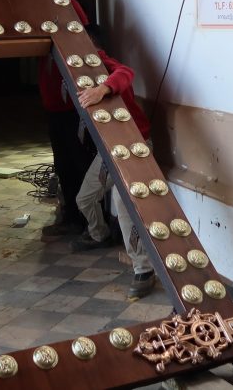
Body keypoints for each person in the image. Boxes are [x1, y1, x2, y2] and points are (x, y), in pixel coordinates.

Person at [69, 35, 156, 300]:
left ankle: (144, 269)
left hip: (135, 145)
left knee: (123, 204)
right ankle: (100, 234)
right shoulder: (74, 70)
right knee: (84, 198)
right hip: (108, 151)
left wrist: (102, 89)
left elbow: (125, 72)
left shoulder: (102, 62)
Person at [39, 0, 95, 238]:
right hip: (53, 107)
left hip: (73, 107)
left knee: (79, 163)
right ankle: (71, 216)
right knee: (63, 166)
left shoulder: (69, 5)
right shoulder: (39, 10)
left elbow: (81, 23)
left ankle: (86, 222)